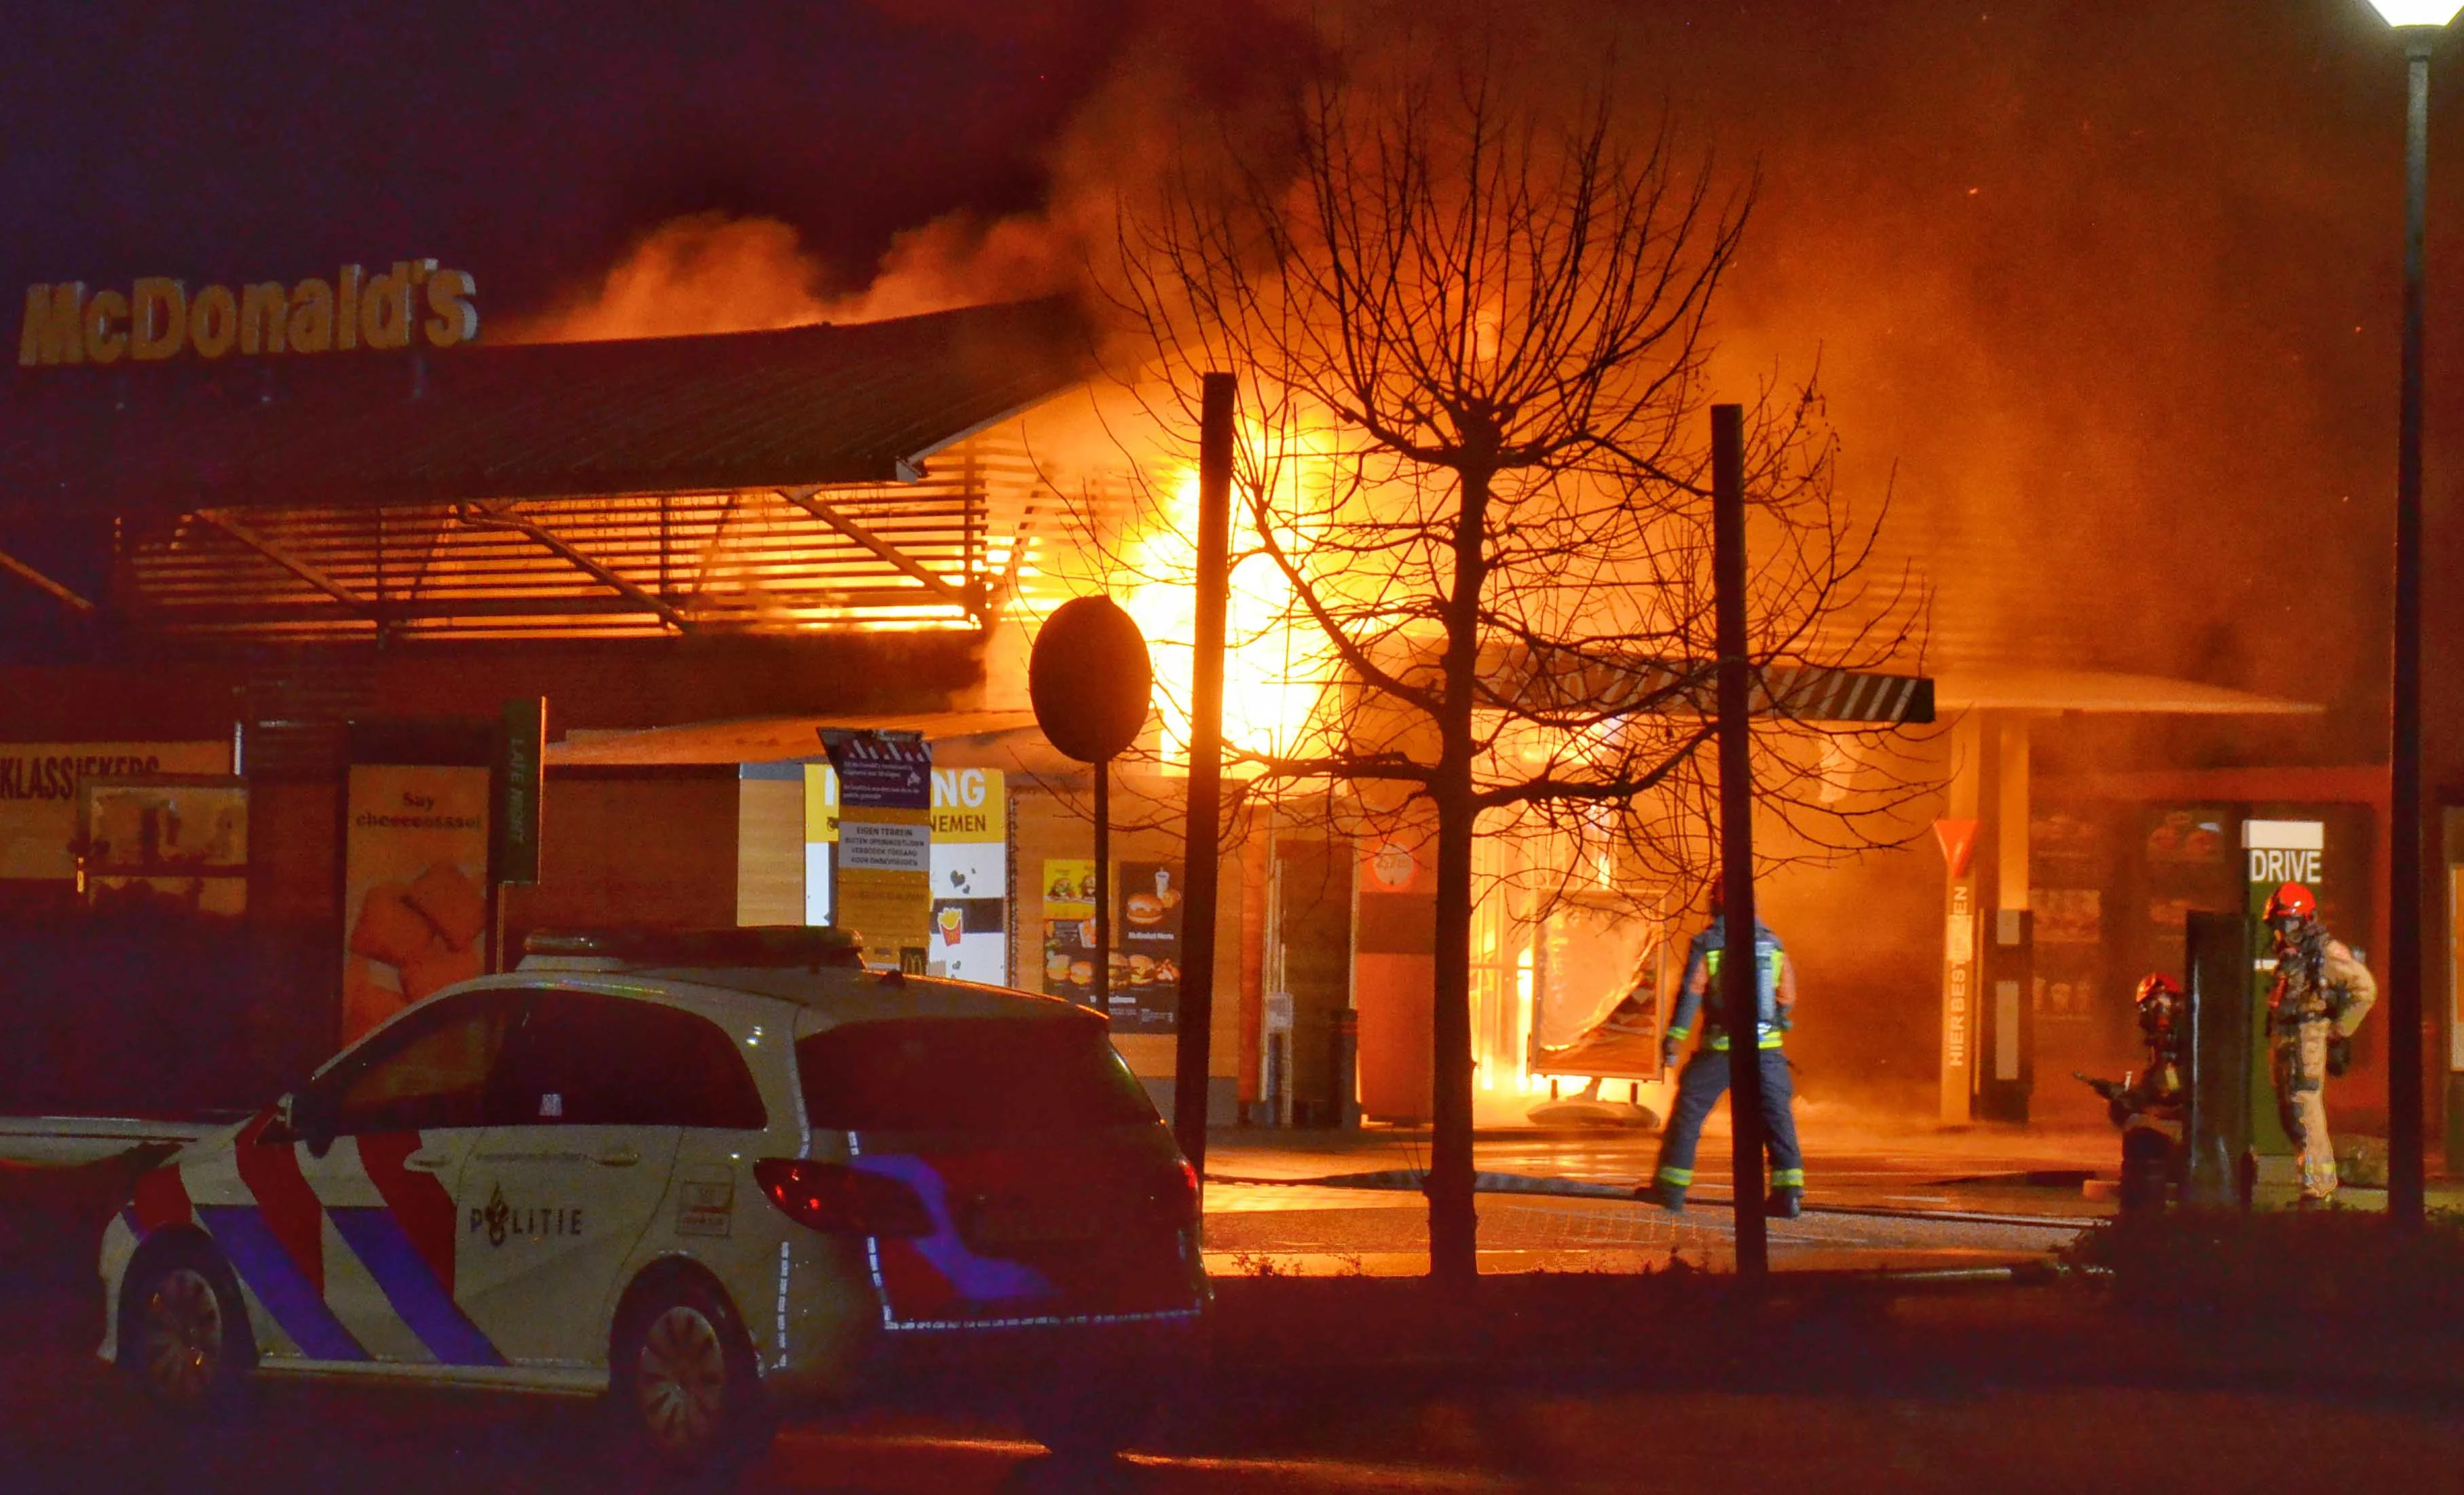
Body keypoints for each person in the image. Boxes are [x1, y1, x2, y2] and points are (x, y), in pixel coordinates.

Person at [1637, 889, 1804, 1217]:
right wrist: (1775, 1020)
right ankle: (1788, 1195)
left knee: (1688, 1115)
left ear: (1715, 904)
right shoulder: (1773, 944)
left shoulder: (1707, 943)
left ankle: (1670, 1189)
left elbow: (1691, 994)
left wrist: (1674, 1039)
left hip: (1720, 1050)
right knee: (1778, 1120)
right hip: (1767, 1053)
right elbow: (1786, 996)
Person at [2262, 882, 2377, 1205]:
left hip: (2308, 1035)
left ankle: (2320, 1186)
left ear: (2306, 920)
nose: (2282, 932)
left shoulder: (2326, 953)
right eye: (2278, 924)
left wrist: (2339, 1031)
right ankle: (2312, 1179)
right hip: (2287, 1036)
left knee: (2305, 1107)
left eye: (2288, 923)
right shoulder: (2292, 956)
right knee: (2290, 1113)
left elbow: (2365, 990)